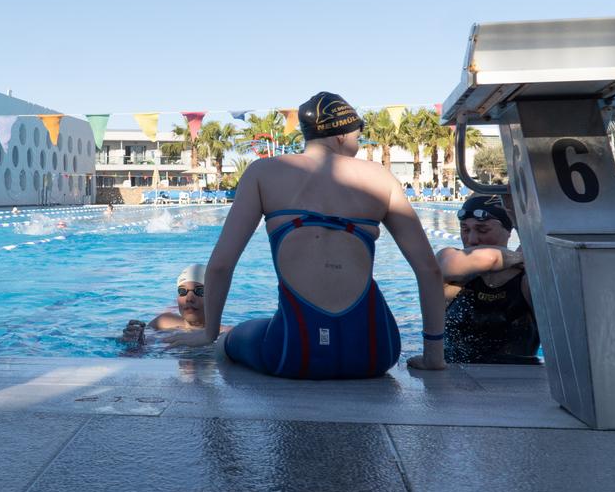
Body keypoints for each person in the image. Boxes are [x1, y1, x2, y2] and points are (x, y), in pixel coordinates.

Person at [166, 92, 445, 378]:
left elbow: (222, 264)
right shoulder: (382, 178)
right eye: (357, 138)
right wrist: (433, 355)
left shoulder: (264, 173)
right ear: (341, 135)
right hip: (375, 352)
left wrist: (209, 332)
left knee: (230, 339)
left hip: (295, 353)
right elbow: (429, 270)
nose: (357, 146)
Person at [436, 195, 540, 364]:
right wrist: (520, 257)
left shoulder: (528, 281)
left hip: (519, 383)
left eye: (482, 230)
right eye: (465, 229)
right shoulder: (451, 271)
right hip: (456, 382)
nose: (472, 240)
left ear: (509, 230)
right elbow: (452, 264)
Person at [120, 264, 212, 346]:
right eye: (182, 291)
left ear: (214, 297)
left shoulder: (223, 334)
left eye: (200, 291)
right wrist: (133, 341)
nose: (189, 299)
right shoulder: (162, 322)